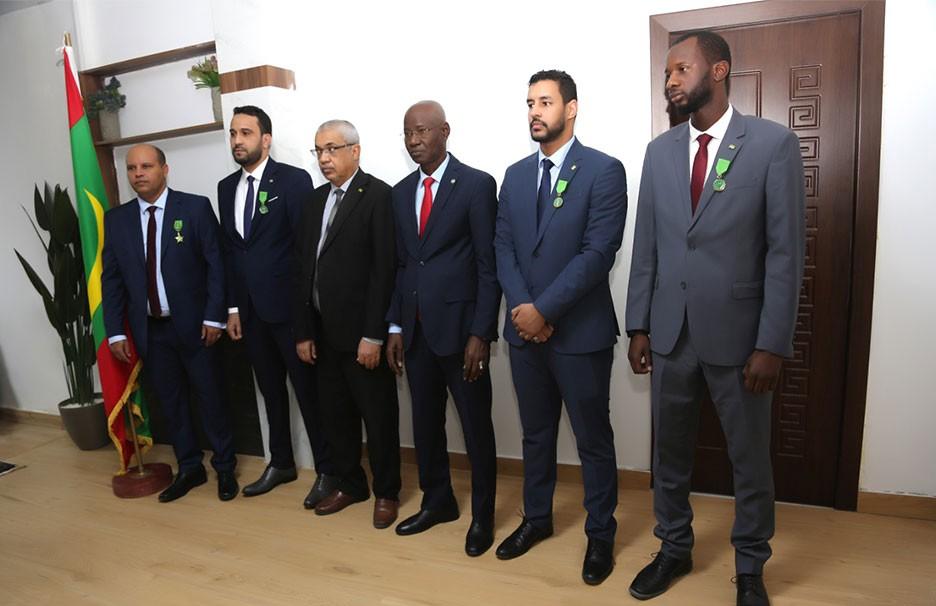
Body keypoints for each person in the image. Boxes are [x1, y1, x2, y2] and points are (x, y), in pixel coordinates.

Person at [625, 31, 805, 606]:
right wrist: (638, 324)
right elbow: (647, 244)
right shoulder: (659, 152)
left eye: (681, 68)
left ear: (719, 70)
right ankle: (673, 548)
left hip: (741, 339)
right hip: (670, 334)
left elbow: (785, 253)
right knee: (669, 456)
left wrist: (772, 343)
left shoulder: (772, 144)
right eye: (667, 72)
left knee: (748, 461)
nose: (671, 79)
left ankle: (750, 567)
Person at [493, 70, 627, 585]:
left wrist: (544, 311)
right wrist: (524, 309)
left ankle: (601, 534)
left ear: (571, 109)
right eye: (530, 102)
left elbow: (598, 253)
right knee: (536, 435)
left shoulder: (604, 170)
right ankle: (537, 519)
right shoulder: (514, 175)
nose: (535, 111)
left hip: (580, 334)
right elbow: (504, 247)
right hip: (524, 333)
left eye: (545, 102)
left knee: (593, 440)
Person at [386, 101, 500, 556]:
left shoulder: (476, 185)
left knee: (476, 429)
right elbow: (402, 265)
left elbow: (488, 266)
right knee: (426, 425)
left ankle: (483, 516)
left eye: (422, 131)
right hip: (415, 333)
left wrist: (481, 333)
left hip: (461, 334)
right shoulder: (400, 193)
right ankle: (438, 502)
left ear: (444, 131)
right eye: (407, 133)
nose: (414, 141)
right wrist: (395, 325)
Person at [101, 144, 237, 503]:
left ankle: (225, 467)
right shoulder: (117, 220)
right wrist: (115, 331)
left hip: (197, 327)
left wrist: (214, 316)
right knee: (171, 403)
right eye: (132, 168)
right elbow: (111, 280)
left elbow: (216, 266)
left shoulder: (194, 208)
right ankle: (189, 467)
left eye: (146, 166)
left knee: (211, 398)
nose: (138, 174)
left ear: (164, 169)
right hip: (151, 330)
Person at [218, 105, 335, 507]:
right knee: (270, 392)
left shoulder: (292, 180)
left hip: (289, 312)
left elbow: (306, 251)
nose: (237, 140)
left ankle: (327, 470)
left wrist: (305, 319)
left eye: (246, 133)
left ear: (265, 140)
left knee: (309, 394)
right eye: (233, 133)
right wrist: (233, 308)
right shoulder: (225, 188)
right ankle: (281, 462)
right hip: (250, 314)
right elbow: (232, 253)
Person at [292, 120, 402, 529]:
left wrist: (374, 334)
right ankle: (351, 483)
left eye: (332, 149)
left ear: (355, 151)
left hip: (362, 337)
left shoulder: (378, 196)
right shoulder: (314, 201)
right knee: (336, 417)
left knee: (378, 418)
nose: (324, 158)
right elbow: (304, 268)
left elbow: (384, 271)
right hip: (323, 333)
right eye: (318, 150)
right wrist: (304, 330)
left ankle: (387, 491)